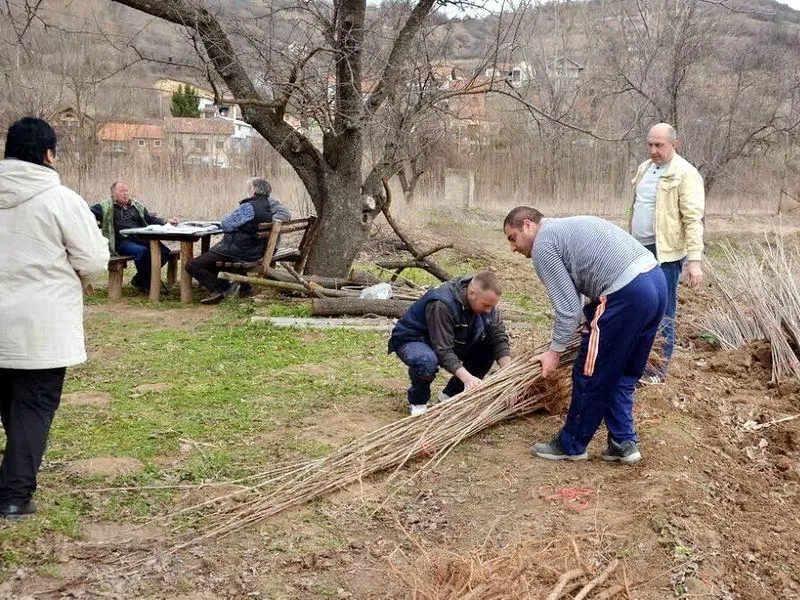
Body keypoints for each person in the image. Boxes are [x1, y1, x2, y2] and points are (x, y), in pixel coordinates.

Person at [0, 117, 110, 518]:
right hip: (40, 324)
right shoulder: (60, 199)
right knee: (33, 407)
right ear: (49, 154)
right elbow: (94, 260)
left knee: (9, 402)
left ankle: (13, 479)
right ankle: (14, 495)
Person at [503, 207, 667, 464]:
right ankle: (622, 442)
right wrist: (583, 323)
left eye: (513, 238)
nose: (513, 248)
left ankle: (571, 444)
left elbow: (567, 309)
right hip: (655, 282)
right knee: (622, 372)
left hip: (627, 294)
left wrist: (554, 353)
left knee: (590, 373)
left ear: (527, 225)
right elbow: (576, 294)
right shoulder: (566, 228)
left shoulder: (543, 244)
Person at [630, 123, 704, 383]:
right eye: (650, 144)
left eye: (659, 145)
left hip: (665, 255)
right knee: (637, 307)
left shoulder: (685, 174)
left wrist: (694, 260)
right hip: (637, 249)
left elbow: (693, 219)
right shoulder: (644, 168)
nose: (653, 150)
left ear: (674, 144)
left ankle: (656, 371)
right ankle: (636, 363)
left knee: (662, 312)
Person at [388, 271, 512, 417]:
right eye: (486, 305)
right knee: (426, 360)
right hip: (414, 339)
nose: (489, 310)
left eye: (492, 306)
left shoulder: (484, 301)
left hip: (450, 338)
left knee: (488, 347)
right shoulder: (442, 303)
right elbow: (443, 350)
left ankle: (450, 395)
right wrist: (468, 379)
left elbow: (498, 336)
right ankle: (418, 403)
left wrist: (509, 373)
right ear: (472, 293)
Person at [185, 177, 291, 304]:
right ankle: (243, 288)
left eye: (249, 187)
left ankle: (218, 290)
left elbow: (226, 224)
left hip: (239, 252)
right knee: (213, 257)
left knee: (193, 265)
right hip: (254, 250)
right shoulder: (267, 206)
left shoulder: (249, 207)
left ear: (253, 190)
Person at [90, 182, 179, 293]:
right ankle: (148, 286)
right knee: (142, 252)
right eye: (121, 191)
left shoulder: (136, 206)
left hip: (141, 238)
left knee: (165, 252)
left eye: (126, 190)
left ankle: (138, 279)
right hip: (122, 242)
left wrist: (166, 222)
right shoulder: (105, 207)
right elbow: (86, 212)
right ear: (113, 194)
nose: (125, 193)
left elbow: (149, 219)